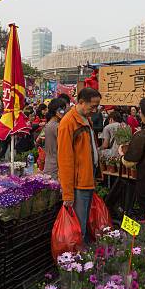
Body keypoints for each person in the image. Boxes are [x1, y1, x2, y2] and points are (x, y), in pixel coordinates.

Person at [57, 88, 101, 241]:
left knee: (85, 223)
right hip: (78, 185)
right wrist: (68, 193)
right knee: (78, 227)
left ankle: (82, 256)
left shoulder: (85, 118)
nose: (95, 110)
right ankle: (75, 260)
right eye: (92, 106)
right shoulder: (68, 122)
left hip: (87, 180)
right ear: (81, 102)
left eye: (97, 106)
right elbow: (65, 161)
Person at [39, 98, 67, 179]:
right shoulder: (57, 126)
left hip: (50, 164)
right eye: (61, 110)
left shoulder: (50, 124)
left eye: (64, 110)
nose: (63, 112)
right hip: (56, 166)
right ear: (55, 111)